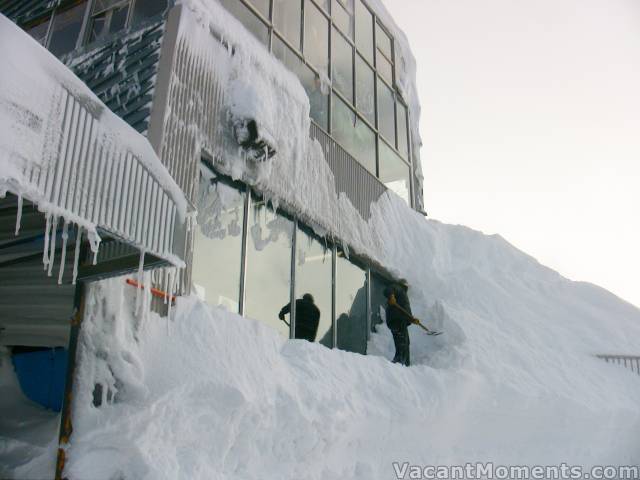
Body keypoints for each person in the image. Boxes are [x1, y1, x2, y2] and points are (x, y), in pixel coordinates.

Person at [384, 280, 416, 366]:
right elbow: (389, 289)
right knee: (403, 341)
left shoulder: (402, 295)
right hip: (397, 319)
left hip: (398, 319)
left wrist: (411, 319)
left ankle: (404, 362)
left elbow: (404, 309)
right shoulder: (399, 289)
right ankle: (401, 361)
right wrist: (391, 296)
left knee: (404, 341)